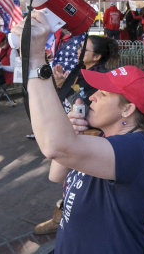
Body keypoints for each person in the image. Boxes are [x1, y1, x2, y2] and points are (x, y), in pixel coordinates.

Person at [13, 12, 144, 253]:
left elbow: (55, 147)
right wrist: (72, 134)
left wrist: (35, 61)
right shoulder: (102, 136)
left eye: (103, 94)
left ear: (127, 109)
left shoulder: (138, 148)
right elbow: (56, 172)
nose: (92, 96)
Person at [33, 34, 120, 235]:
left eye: (83, 47)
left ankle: (70, 221)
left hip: (86, 141)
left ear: (97, 56)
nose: (77, 49)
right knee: (67, 180)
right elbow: (72, 100)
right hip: (72, 136)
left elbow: (87, 110)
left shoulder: (101, 79)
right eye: (80, 45)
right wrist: (62, 84)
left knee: (78, 183)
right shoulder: (80, 72)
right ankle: (62, 216)